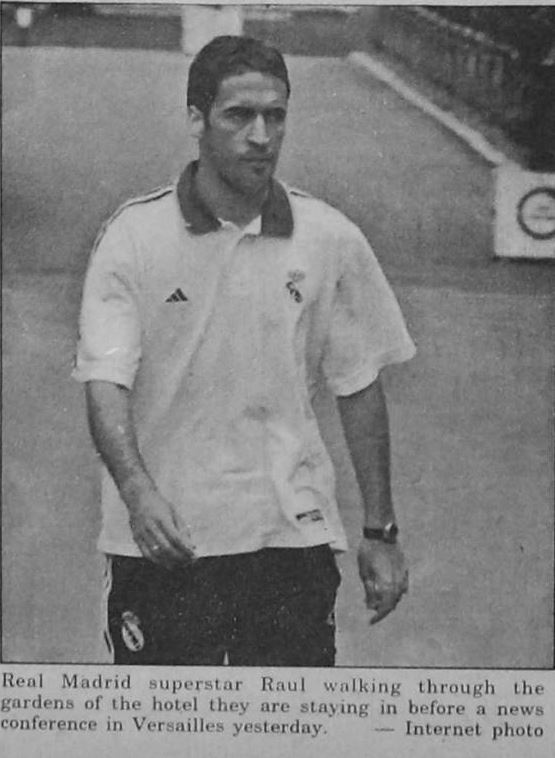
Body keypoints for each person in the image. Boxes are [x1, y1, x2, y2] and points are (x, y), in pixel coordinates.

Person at [73, 35, 416, 667]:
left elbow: (359, 384)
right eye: (239, 115)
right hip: (168, 539)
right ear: (196, 120)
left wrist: (380, 531)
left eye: (275, 116)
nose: (262, 135)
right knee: (165, 721)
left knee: (287, 719)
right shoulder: (133, 237)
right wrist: (138, 493)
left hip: (290, 538)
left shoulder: (329, 238)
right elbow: (105, 381)